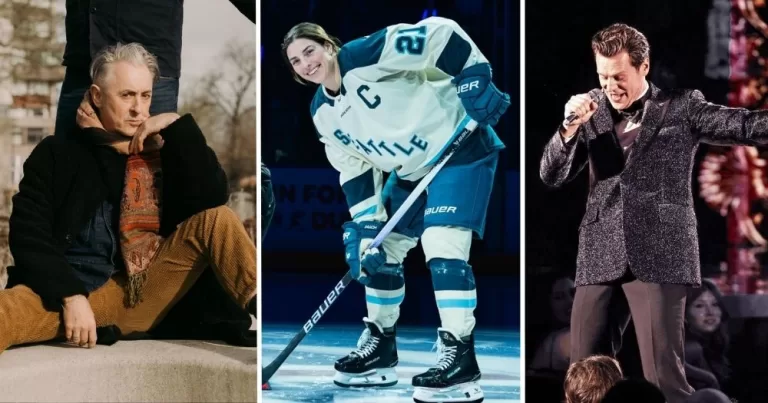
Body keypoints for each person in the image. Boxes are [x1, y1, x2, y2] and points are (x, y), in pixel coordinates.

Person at [281, 16, 510, 403]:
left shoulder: (365, 54)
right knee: (379, 252)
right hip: (410, 172)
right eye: (296, 61)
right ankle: (380, 347)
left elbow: (438, 32)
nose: (306, 63)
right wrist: (367, 227)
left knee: (442, 245)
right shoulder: (322, 113)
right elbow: (354, 171)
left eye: (310, 51)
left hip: (461, 151)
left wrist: (473, 74)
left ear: (328, 47)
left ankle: (460, 357)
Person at [539, 22, 768, 403]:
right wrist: (568, 127)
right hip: (600, 250)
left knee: (665, 379)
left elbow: (742, 125)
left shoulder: (681, 107)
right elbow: (550, 175)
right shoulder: (591, 109)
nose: (610, 86)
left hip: (662, 252)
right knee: (584, 377)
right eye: (602, 76)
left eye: (618, 76)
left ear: (643, 67)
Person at [2, 43, 256, 353]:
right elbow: (28, 232)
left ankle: (271, 315)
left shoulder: (162, 151)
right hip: (76, 293)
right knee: (6, 313)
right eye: (126, 95)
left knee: (217, 219)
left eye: (145, 96)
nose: (138, 109)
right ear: (97, 96)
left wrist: (175, 127)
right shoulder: (58, 153)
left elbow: (213, 196)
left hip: (148, 291)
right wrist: (71, 296)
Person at [55, 0, 256, 139]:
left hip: (150, 67)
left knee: (149, 173)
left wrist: (271, 18)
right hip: (83, 60)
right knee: (64, 168)